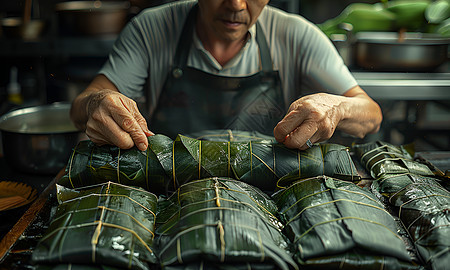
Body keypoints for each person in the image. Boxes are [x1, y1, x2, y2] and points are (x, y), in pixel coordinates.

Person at [70, 0, 382, 152]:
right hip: (168, 195)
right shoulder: (151, 30)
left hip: (267, 203)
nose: (235, 5)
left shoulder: (296, 35)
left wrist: (337, 107)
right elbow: (82, 105)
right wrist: (97, 102)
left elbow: (371, 113)